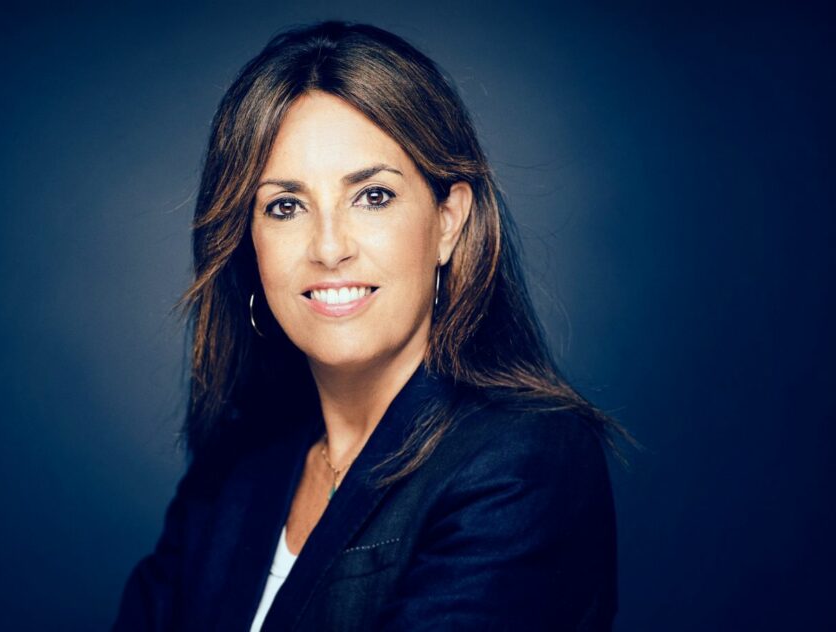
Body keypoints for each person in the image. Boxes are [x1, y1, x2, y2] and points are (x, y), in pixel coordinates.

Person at [113, 20, 629, 631]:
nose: (329, 248)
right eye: (285, 206)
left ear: (448, 220)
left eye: (373, 196)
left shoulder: (525, 460)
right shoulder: (235, 462)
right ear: (249, 242)